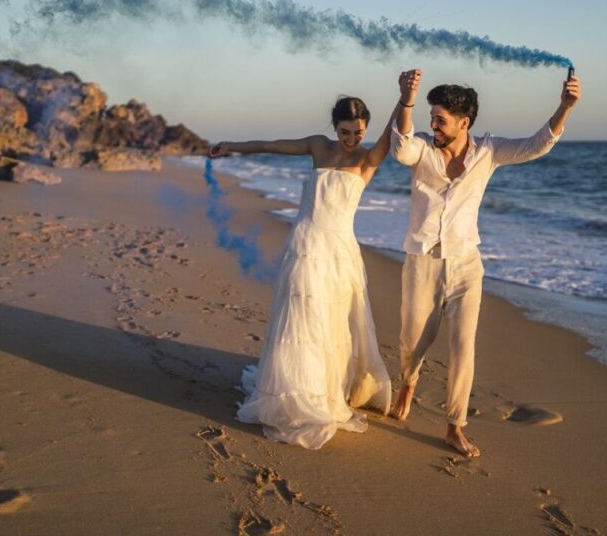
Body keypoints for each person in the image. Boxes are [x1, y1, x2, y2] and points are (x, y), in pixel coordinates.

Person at [389, 69, 581, 457]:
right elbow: (400, 148)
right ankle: (408, 382)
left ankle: (454, 426)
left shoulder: (488, 152)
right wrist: (407, 100)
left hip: (466, 266)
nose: (434, 126)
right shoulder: (423, 149)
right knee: (413, 341)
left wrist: (564, 107)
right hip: (422, 261)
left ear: (464, 122)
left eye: (440, 120)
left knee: (463, 347)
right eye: (431, 118)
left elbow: (536, 145)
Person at [211, 93, 399, 449]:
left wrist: (406, 98)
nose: (351, 139)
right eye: (345, 132)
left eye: (358, 133)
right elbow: (272, 145)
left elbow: (394, 132)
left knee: (330, 323)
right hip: (306, 244)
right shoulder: (318, 146)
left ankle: (323, 392)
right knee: (300, 317)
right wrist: (230, 146)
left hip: (340, 252)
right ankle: (295, 394)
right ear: (334, 126)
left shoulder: (368, 158)